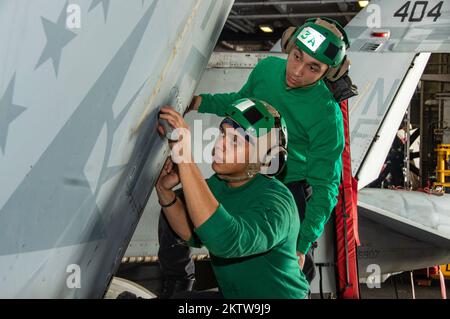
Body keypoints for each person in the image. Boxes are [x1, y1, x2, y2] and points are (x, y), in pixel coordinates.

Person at [156, 98, 309, 299]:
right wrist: (164, 191)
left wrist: (185, 157)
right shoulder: (218, 185)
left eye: (234, 141)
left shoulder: (277, 205)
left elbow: (227, 241)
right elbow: (192, 233)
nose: (219, 145)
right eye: (222, 134)